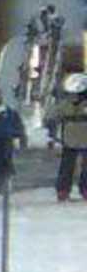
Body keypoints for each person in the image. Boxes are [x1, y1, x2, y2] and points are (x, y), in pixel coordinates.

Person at [49, 72, 87, 202]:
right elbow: (52, 117)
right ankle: (63, 190)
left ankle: (85, 189)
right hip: (68, 140)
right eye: (71, 94)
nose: (74, 97)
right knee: (66, 167)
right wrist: (52, 135)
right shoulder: (64, 105)